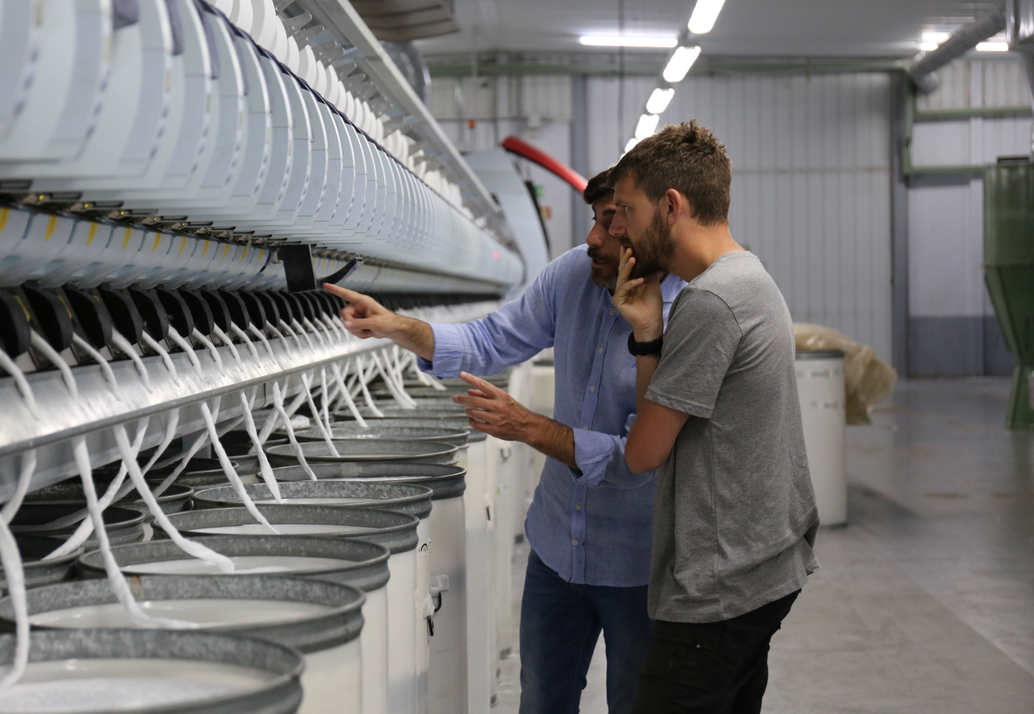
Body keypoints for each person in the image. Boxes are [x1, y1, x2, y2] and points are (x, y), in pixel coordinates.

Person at [325, 168, 686, 714]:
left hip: (640, 562)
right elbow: (492, 338)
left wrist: (527, 426)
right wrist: (398, 326)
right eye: (595, 219)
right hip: (557, 543)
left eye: (613, 222)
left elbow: (641, 457)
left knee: (637, 704)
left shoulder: (689, 312)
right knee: (541, 700)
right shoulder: (573, 274)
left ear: (653, 222)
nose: (592, 237)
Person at [607, 120, 819, 714]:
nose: (616, 226)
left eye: (625, 209)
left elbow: (643, 453)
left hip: (720, 589)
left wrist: (651, 335)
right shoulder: (747, 277)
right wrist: (649, 333)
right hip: (764, 566)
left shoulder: (710, 303)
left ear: (670, 205)